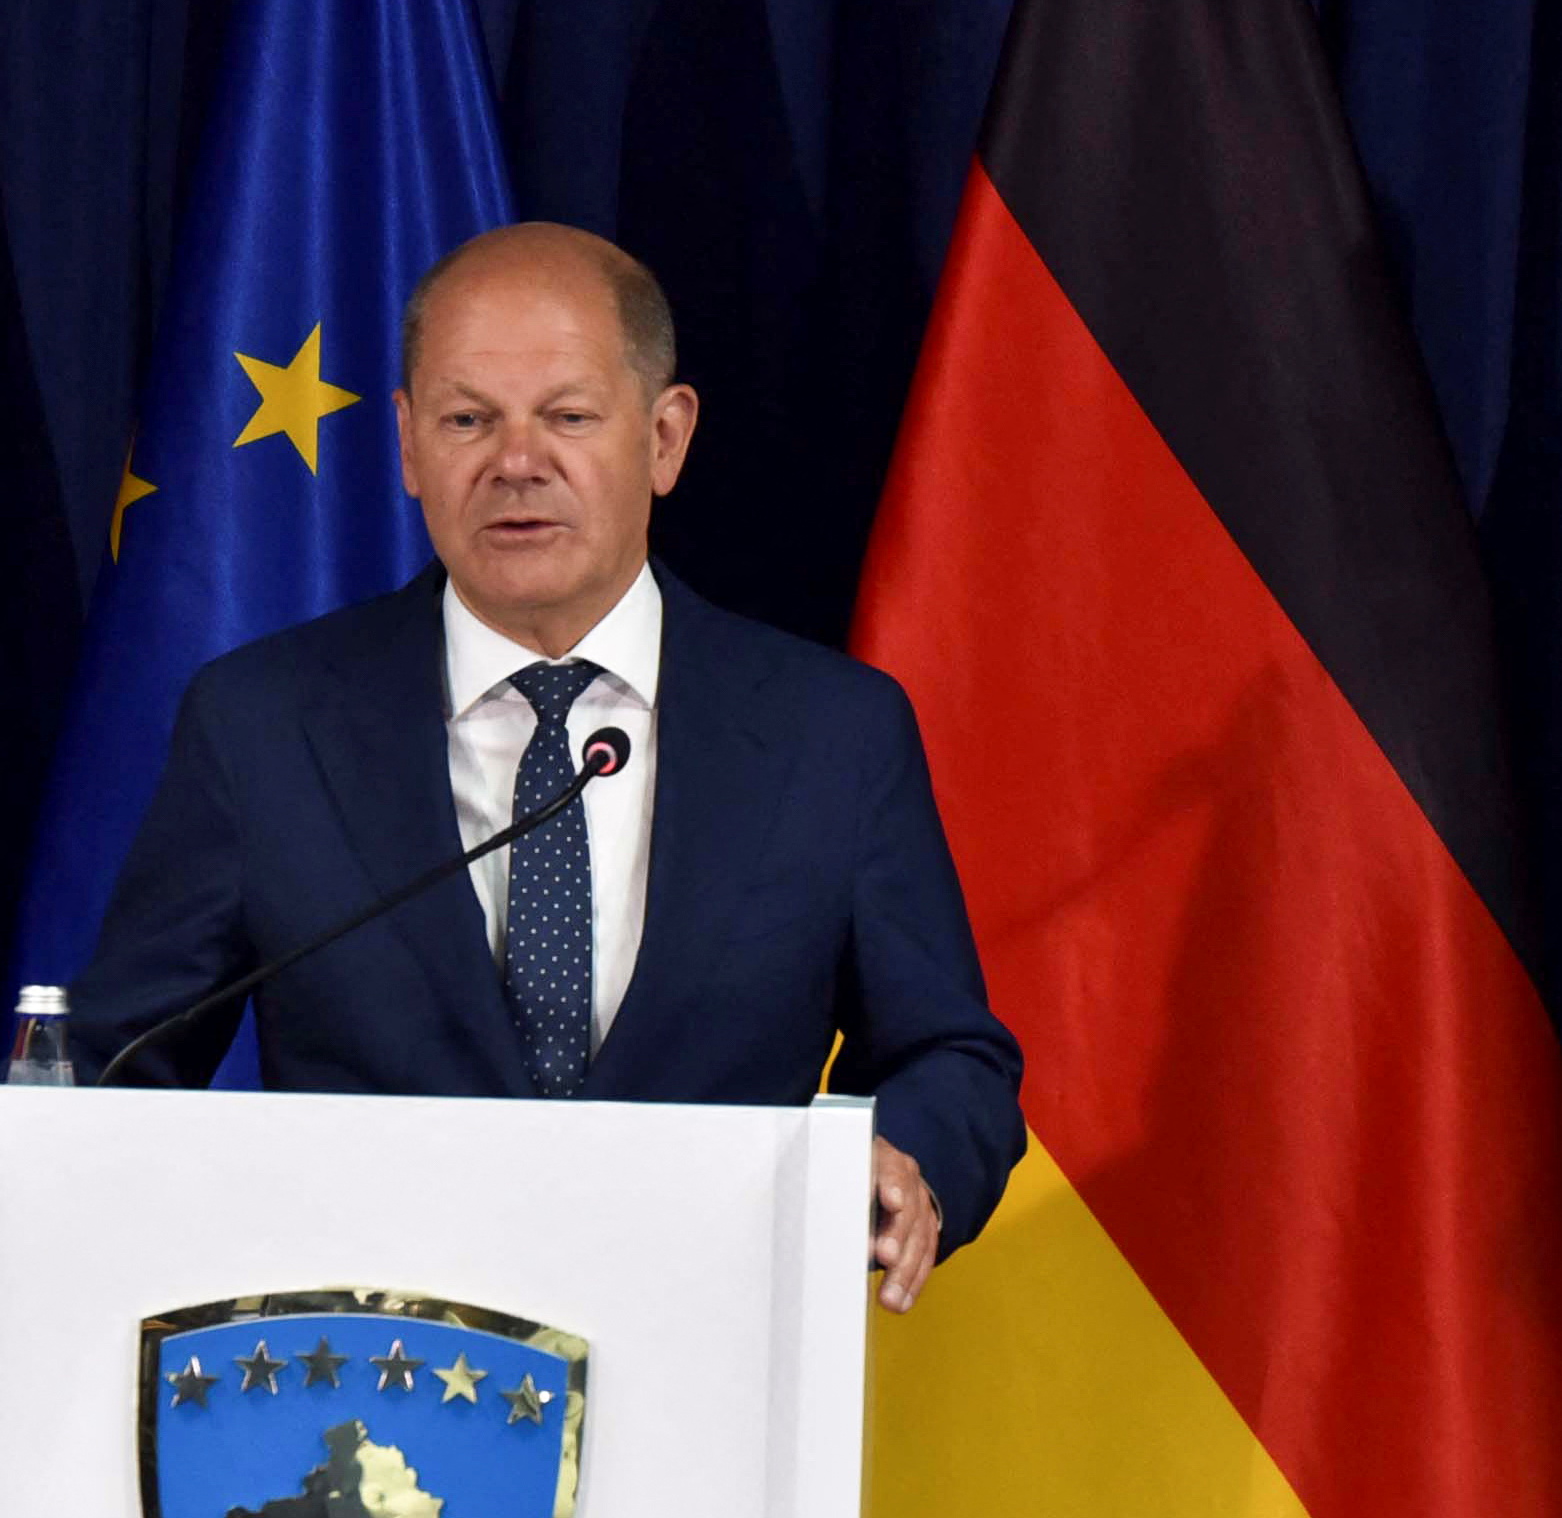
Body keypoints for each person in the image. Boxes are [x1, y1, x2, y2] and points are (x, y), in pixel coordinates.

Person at [67, 223, 1021, 1311]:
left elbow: (953, 1056)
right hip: (360, 1400)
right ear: (410, 447)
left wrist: (904, 1160)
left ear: (664, 438)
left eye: (568, 417)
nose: (516, 462)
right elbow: (116, 1070)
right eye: (468, 419)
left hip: (717, 1358)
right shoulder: (264, 725)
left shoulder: (831, 733)